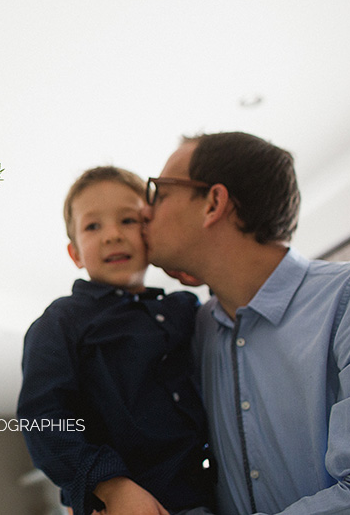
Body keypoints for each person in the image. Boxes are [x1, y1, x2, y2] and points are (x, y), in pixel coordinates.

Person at [142, 131, 350, 515]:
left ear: (213, 203)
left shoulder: (349, 299)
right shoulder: (195, 328)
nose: (144, 211)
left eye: (159, 192)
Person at [17, 166, 214, 515]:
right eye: (93, 226)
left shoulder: (183, 309)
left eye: (128, 220)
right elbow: (44, 417)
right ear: (75, 253)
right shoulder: (60, 322)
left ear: (151, 232)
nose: (112, 235)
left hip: (207, 497)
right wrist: (109, 483)